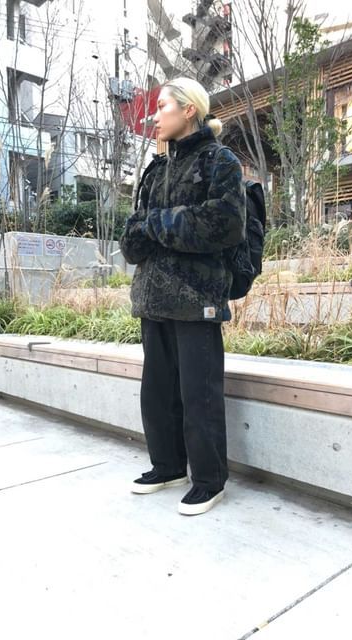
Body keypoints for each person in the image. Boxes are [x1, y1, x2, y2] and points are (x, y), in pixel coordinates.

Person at [119, 77, 245, 516]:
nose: (154, 116)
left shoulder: (219, 161)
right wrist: (159, 226)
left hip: (197, 298)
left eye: (162, 106)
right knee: (156, 394)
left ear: (189, 109)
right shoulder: (155, 169)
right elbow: (130, 242)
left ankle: (209, 480)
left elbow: (222, 225)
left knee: (199, 395)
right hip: (152, 298)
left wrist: (155, 224)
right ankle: (168, 466)